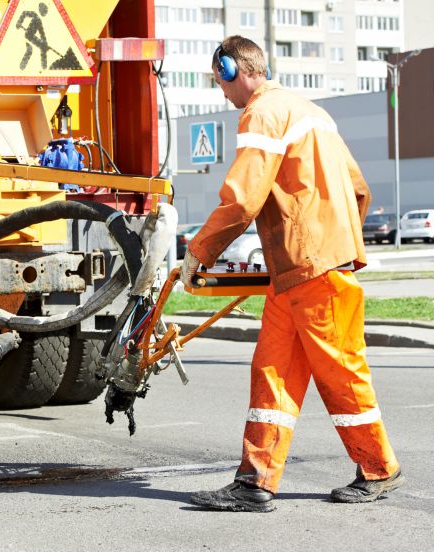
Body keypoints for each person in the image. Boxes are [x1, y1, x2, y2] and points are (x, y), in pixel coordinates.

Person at [180, 36, 403, 513]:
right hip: (299, 269)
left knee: (340, 371)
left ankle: (379, 468)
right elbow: (358, 189)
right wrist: (339, 240)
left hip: (313, 267)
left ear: (229, 69)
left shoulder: (261, 112)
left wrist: (198, 252)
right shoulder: (312, 112)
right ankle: (255, 481)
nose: (221, 93)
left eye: (218, 81)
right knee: (272, 372)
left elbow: (243, 198)